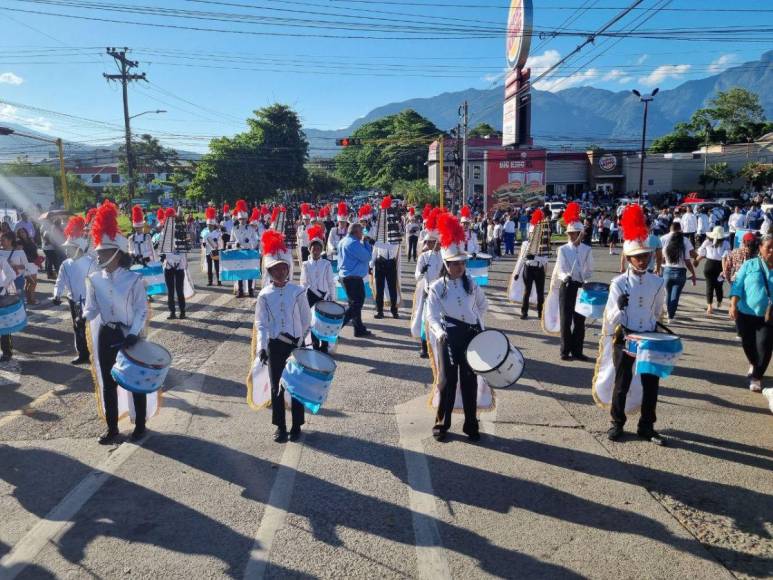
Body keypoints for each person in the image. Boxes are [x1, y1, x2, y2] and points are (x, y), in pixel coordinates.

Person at [84, 202, 157, 444]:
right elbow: (92, 309)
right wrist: (81, 315)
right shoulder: (93, 279)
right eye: (99, 251)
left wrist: (135, 332)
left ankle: (140, 425)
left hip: (129, 334)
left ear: (116, 253)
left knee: (135, 379)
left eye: (104, 252)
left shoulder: (133, 279)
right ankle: (112, 427)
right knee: (108, 381)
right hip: (107, 333)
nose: (99, 255)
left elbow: (140, 309)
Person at [600, 204, 668, 445]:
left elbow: (658, 310)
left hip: (649, 338)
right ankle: (616, 423)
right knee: (622, 383)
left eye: (646, 256)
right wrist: (619, 306)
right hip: (626, 338)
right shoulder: (618, 283)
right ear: (629, 258)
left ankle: (647, 426)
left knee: (651, 385)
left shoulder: (658, 282)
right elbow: (610, 318)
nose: (643, 260)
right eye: (638, 257)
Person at [425, 213, 490, 442]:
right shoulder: (436, 288)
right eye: (455, 263)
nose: (460, 267)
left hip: (470, 335)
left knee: (470, 380)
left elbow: (483, 305)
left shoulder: (470, 283)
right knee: (447, 381)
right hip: (448, 336)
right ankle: (442, 423)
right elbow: (431, 316)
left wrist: (477, 324)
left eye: (462, 263)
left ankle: (471, 424)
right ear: (446, 264)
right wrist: (441, 333)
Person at [255, 230, 311, 442]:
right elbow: (260, 323)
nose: (279, 272)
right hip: (274, 346)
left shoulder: (297, 291)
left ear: (288, 269)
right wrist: (262, 346)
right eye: (275, 269)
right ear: (269, 271)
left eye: (283, 268)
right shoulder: (264, 295)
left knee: (296, 387)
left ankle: (297, 425)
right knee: (276, 386)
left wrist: (301, 342)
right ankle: (280, 426)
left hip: (295, 345)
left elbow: (306, 320)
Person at [545, 202, 593, 361]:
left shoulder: (587, 249)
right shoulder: (563, 249)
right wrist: (566, 276)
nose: (573, 236)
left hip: (581, 286)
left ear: (581, 233)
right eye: (571, 233)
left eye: (576, 233)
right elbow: (561, 267)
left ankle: (577, 351)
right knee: (566, 320)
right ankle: (564, 351)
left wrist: (586, 279)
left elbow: (589, 268)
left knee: (580, 321)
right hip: (567, 285)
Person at [729, 234, 773, 393]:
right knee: (748, 345)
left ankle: (757, 376)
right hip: (745, 313)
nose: (772, 250)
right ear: (761, 248)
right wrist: (733, 304)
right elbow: (737, 286)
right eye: (769, 247)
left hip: (768, 316)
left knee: (765, 346)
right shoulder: (749, 265)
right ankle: (754, 363)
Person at [52, 216, 95, 364]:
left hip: (89, 300)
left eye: (69, 248)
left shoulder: (90, 262)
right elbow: (60, 281)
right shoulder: (65, 264)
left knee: (91, 327)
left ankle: (94, 353)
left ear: (78, 248)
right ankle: (82, 353)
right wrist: (56, 295)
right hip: (74, 300)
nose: (67, 251)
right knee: (77, 327)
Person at [299, 224, 335, 353]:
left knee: (324, 322)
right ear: (309, 249)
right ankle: (314, 344)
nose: (316, 251)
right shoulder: (305, 265)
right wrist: (302, 298)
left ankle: (324, 345)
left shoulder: (326, 264)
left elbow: (331, 282)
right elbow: (303, 282)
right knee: (312, 322)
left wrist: (332, 297)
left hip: (324, 296)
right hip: (310, 296)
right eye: (313, 248)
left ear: (321, 250)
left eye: (318, 249)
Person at [509, 208, 549, 320]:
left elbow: (545, 260)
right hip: (528, 268)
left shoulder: (544, 244)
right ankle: (524, 312)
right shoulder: (526, 244)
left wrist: (535, 257)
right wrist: (517, 272)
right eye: (531, 233)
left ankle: (541, 312)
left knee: (540, 293)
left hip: (539, 269)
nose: (532, 235)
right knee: (527, 291)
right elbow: (522, 258)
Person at [338, 222, 373, 338]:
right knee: (356, 304)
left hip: (348, 276)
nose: (362, 234)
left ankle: (359, 328)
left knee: (354, 304)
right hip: (352, 278)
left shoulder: (344, 241)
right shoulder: (353, 243)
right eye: (361, 231)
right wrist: (367, 243)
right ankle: (337, 325)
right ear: (356, 232)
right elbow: (367, 257)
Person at [660, 222, 698, 323]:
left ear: (670, 228)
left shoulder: (663, 238)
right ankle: (671, 316)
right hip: (680, 271)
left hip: (667, 270)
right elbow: (687, 260)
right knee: (675, 295)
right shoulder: (685, 240)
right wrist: (693, 273)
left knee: (668, 293)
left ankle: (669, 314)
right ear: (680, 229)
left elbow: (660, 256)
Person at [371, 196, 400, 320]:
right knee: (380, 288)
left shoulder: (396, 234)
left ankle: (394, 310)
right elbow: (375, 250)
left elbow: (391, 247)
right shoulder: (379, 233)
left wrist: (375, 243)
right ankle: (380, 311)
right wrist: (371, 264)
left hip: (390, 263)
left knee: (392, 288)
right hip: (380, 262)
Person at [694, 226, 731, 315]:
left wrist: (697, 260)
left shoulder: (707, 241)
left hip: (709, 265)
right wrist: (726, 269)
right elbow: (727, 256)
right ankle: (719, 300)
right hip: (720, 265)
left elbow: (701, 253)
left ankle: (709, 306)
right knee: (719, 285)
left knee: (709, 286)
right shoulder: (726, 243)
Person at [230, 200, 257, 298]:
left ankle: (250, 290)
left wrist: (249, 243)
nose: (242, 221)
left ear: (246, 219)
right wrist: (235, 245)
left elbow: (255, 240)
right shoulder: (234, 229)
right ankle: (240, 290)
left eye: (244, 219)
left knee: (249, 272)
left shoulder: (251, 228)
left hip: (249, 251)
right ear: (238, 219)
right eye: (240, 219)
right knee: (239, 272)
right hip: (238, 252)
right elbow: (231, 241)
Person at [15, 227, 39, 305]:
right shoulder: (19, 242)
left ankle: (29, 299)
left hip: (34, 263)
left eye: (23, 232)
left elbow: (35, 249)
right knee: (33, 282)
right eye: (20, 232)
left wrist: (38, 259)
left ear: (26, 232)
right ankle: (31, 299)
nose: (22, 233)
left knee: (29, 282)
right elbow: (20, 253)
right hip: (27, 264)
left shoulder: (30, 239)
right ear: (18, 234)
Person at [202, 207, 223, 286]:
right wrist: (205, 244)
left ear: (213, 225)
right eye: (208, 225)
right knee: (209, 267)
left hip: (216, 252)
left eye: (211, 225)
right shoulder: (205, 233)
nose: (209, 226)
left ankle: (219, 281)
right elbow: (204, 243)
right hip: (208, 252)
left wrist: (216, 243)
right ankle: (210, 281)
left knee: (217, 267)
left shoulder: (217, 233)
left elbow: (220, 242)